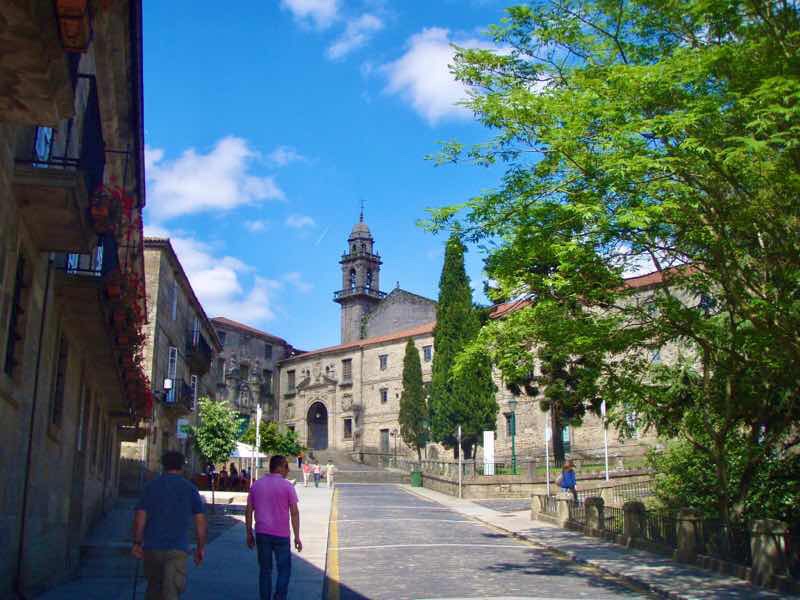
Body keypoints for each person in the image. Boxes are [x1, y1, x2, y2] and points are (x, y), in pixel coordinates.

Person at [131, 451, 207, 600]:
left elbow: (140, 517)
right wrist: (200, 547)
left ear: (163, 465)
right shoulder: (190, 489)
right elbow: (200, 521)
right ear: (182, 466)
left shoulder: (150, 486)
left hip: (152, 548)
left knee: (153, 590)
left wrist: (137, 542)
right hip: (177, 549)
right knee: (171, 593)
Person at [246, 454, 302, 600]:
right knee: (284, 570)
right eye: (286, 467)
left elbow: (248, 511)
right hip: (281, 535)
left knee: (265, 570)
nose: (288, 470)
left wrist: (249, 533)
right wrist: (297, 536)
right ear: (280, 467)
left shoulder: (256, 485)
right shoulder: (287, 486)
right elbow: (294, 513)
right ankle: (279, 597)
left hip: (262, 533)